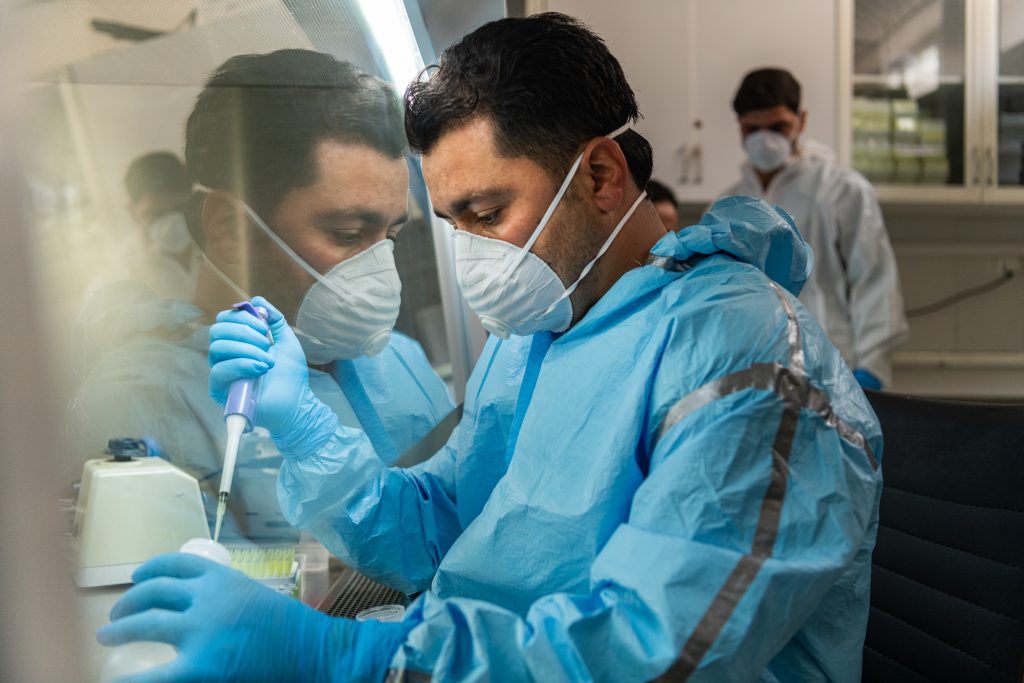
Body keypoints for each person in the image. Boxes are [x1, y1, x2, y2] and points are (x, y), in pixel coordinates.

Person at [99, 14, 883, 682]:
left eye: (487, 212)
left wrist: (343, 653)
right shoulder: (538, 334)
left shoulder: (744, 356)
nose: (473, 256)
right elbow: (442, 521)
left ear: (600, 175)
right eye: (452, 224)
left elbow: (643, 650)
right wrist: (304, 426)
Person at [70, 50, 453, 539]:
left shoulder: (401, 358)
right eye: (347, 233)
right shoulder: (142, 399)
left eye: (390, 237)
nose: (380, 272)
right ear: (229, 227)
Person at [720, 67, 908, 390]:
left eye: (777, 127)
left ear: (801, 120)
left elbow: (875, 280)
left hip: (833, 372)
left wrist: (872, 368)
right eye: (752, 129)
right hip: (751, 374)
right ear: (739, 126)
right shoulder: (728, 205)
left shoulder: (842, 191)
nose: (765, 140)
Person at [122, 151, 200, 300]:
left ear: (194, 200)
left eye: (180, 208)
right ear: (133, 212)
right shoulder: (120, 273)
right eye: (156, 214)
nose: (171, 224)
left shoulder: (226, 246)